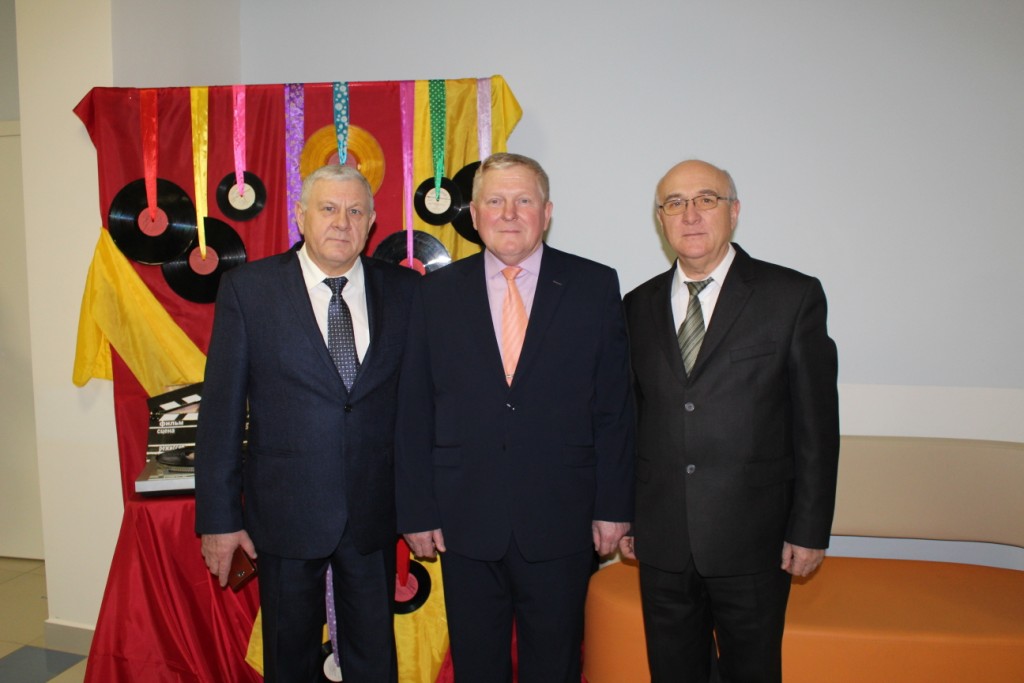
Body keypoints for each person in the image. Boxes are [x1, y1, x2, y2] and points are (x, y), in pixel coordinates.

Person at [395, 152, 635, 683]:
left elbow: (614, 407)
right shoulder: (435, 293)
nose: (509, 213)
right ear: (475, 214)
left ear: (546, 212)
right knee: (477, 667)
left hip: (563, 517)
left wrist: (614, 506)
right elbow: (414, 409)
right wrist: (416, 510)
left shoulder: (593, 285)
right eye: (495, 201)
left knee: (555, 665)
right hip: (463, 519)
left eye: (523, 200)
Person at [195, 165, 419, 683]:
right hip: (284, 513)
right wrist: (219, 519)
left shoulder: (406, 291)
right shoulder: (249, 290)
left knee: (375, 658)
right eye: (328, 208)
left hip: (373, 513)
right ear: (300, 216)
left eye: (355, 211)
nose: (342, 222)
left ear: (372, 223)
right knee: (289, 658)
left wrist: (421, 504)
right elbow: (221, 412)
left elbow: (417, 409)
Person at [620, 159, 840, 683]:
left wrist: (809, 529)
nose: (690, 215)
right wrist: (624, 512)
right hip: (662, 538)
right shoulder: (635, 306)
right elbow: (629, 420)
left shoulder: (791, 297)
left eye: (706, 200)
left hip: (756, 539)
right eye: (675, 203)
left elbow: (816, 427)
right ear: (660, 219)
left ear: (734, 211)